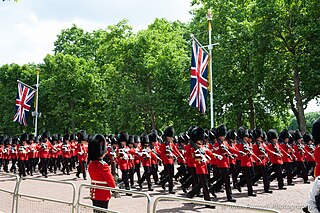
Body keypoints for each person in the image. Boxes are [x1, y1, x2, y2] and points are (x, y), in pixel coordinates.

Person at [88, 134, 116, 212]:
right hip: (102, 194)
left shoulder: (91, 164)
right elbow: (110, 181)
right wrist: (115, 190)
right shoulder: (103, 165)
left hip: (94, 192)